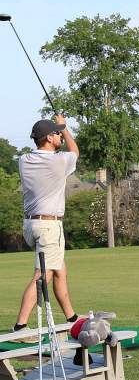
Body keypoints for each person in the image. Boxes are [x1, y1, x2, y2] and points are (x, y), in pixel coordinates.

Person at [12, 115, 80, 338]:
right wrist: (66, 127)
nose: (60, 136)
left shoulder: (24, 160)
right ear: (49, 138)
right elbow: (75, 152)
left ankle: (72, 319)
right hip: (49, 226)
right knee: (43, 275)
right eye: (56, 133)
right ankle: (21, 327)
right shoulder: (58, 161)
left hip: (30, 225)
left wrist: (58, 127)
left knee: (60, 270)